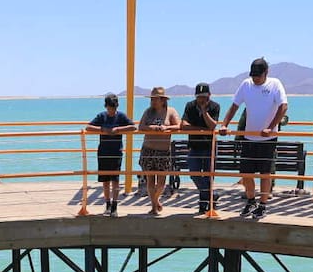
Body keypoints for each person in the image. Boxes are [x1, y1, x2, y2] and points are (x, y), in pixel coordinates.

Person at [219, 58, 289, 220]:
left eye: (258, 75)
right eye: (253, 76)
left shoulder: (275, 84)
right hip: (249, 137)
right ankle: (251, 201)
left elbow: (283, 106)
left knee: (265, 173)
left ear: (266, 73)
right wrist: (224, 125)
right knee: (246, 172)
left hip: (267, 139)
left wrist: (270, 127)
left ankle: (263, 204)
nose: (255, 79)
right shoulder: (246, 84)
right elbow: (234, 106)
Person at [86, 93, 136, 217]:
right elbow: (88, 127)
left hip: (116, 152)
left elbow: (133, 127)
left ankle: (114, 205)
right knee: (105, 180)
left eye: (113, 108)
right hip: (103, 152)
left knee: (115, 180)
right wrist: (103, 130)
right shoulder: (101, 116)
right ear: (106, 106)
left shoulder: (121, 116)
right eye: (109, 108)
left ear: (116, 106)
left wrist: (118, 130)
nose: (111, 110)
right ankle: (107, 204)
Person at [137, 87, 181, 215]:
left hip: (163, 151)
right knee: (150, 179)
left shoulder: (170, 111)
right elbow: (141, 127)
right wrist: (154, 128)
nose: (153, 102)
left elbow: (178, 126)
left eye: (155, 99)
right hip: (148, 149)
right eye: (152, 99)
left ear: (162, 100)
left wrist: (166, 128)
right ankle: (154, 206)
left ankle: (155, 201)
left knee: (161, 181)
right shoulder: (148, 112)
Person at [180, 82, 221, 215]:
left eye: (204, 96)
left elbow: (212, 126)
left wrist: (204, 112)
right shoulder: (190, 106)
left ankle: (204, 204)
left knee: (209, 176)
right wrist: (201, 129)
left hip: (209, 146)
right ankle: (211, 195)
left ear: (209, 95)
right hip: (194, 146)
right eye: (199, 97)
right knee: (194, 173)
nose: (201, 99)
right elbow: (183, 125)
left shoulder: (215, 107)